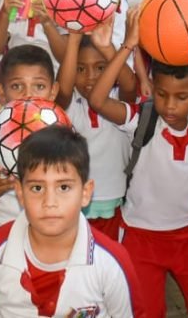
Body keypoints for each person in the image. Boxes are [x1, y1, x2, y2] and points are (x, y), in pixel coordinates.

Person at [85, 8, 188, 318]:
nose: (170, 105)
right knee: (143, 312)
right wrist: (126, 46)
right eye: (162, 94)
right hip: (139, 238)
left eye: (182, 96)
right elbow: (97, 100)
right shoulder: (143, 119)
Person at [0, 126, 145, 317]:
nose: (50, 202)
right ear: (20, 193)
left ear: (85, 193)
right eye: (37, 188)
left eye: (63, 187)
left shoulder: (111, 262)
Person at [0, 45, 60, 234]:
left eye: (39, 86)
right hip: (2, 233)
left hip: (50, 233)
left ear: (53, 92)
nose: (28, 95)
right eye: (17, 86)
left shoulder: (64, 135)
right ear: (1, 92)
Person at [57, 27, 136, 238]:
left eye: (100, 68)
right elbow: (63, 90)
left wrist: (109, 48)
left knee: (108, 262)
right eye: (80, 69)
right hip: (74, 203)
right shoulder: (71, 104)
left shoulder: (117, 102)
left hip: (114, 202)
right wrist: (73, 42)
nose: (89, 78)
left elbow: (130, 83)